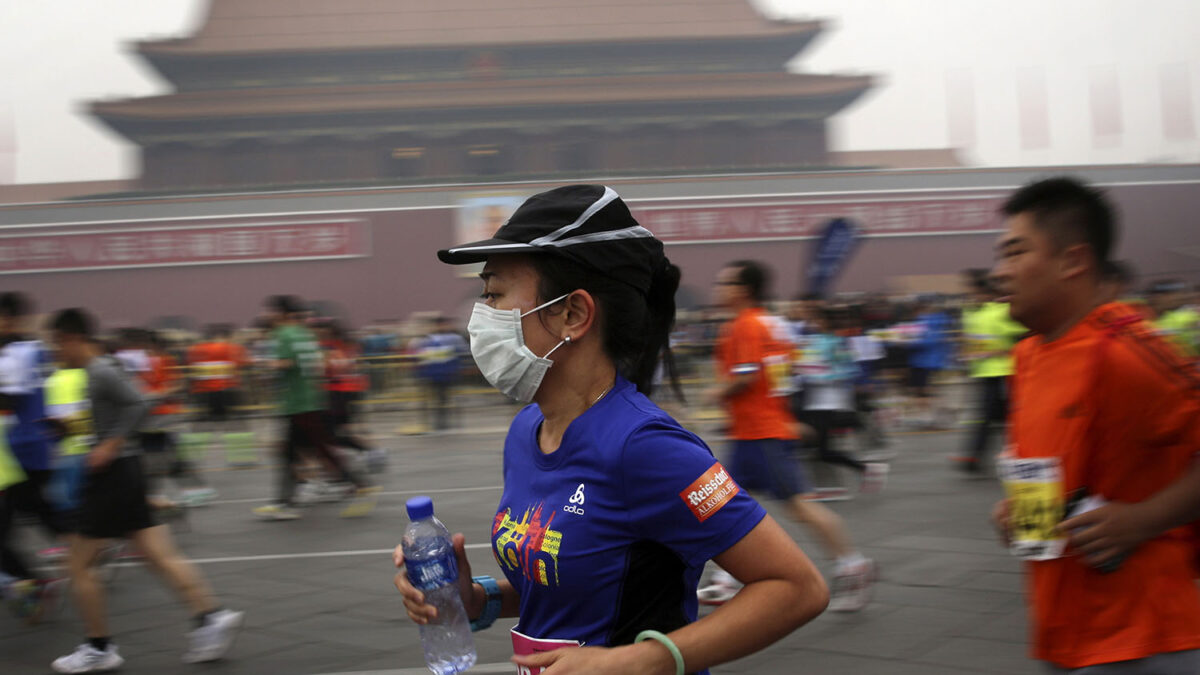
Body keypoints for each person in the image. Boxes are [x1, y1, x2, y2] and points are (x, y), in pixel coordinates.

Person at [393, 185, 828, 675]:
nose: (480, 317)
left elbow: (796, 587)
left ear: (573, 314)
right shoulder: (527, 431)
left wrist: (639, 660)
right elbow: (583, 580)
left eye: (494, 294)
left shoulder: (646, 447)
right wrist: (474, 599)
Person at [988, 177, 1200, 672]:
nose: (1000, 273)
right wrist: (1016, 512)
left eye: (1016, 253)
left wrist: (1143, 520)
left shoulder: (1127, 350)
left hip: (1147, 637)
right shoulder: (1027, 356)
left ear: (1073, 261)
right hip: (1061, 631)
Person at [47, 308, 243, 672]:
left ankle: (99, 646)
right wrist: (74, 430)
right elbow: (115, 413)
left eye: (56, 344)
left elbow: (137, 403)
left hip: (114, 474)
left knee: (77, 564)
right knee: (158, 554)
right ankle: (211, 617)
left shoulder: (100, 369)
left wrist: (110, 444)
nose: (55, 353)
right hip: (126, 471)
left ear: (71, 338)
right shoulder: (96, 370)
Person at [705, 259, 878, 611]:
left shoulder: (745, 326)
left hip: (760, 435)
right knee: (725, 503)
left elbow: (746, 376)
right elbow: (785, 377)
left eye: (724, 283)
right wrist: (786, 414)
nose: (718, 289)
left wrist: (715, 392)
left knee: (799, 507)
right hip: (757, 431)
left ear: (743, 290)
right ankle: (726, 578)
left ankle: (853, 564)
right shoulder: (774, 325)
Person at [253, 296, 377, 521]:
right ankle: (285, 501)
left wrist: (265, 365)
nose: (266, 315)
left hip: (297, 403)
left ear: (282, 312)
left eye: (269, 311)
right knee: (297, 451)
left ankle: (356, 483)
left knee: (316, 450)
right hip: (310, 398)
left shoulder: (283, 334)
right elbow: (316, 364)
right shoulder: (305, 334)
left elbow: (286, 363)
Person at [953, 270, 1025, 474]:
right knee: (1000, 417)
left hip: (1003, 372)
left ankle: (974, 457)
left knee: (989, 417)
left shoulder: (1001, 312)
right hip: (982, 372)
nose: (970, 295)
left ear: (985, 292)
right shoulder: (970, 312)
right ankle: (1008, 453)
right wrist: (965, 351)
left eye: (973, 291)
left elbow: (1025, 338)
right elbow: (971, 339)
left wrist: (999, 351)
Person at [186, 324, 255, 466]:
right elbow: (246, 363)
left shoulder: (196, 349)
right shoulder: (233, 348)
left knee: (201, 426)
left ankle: (190, 459)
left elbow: (192, 369)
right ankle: (241, 457)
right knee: (236, 424)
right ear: (226, 335)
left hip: (203, 393)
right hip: (228, 390)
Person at [411, 315, 468, 432]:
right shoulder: (426, 340)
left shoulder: (453, 338)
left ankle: (445, 422)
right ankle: (440, 422)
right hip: (434, 374)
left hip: (448, 373)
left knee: (445, 400)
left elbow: (465, 352)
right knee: (438, 400)